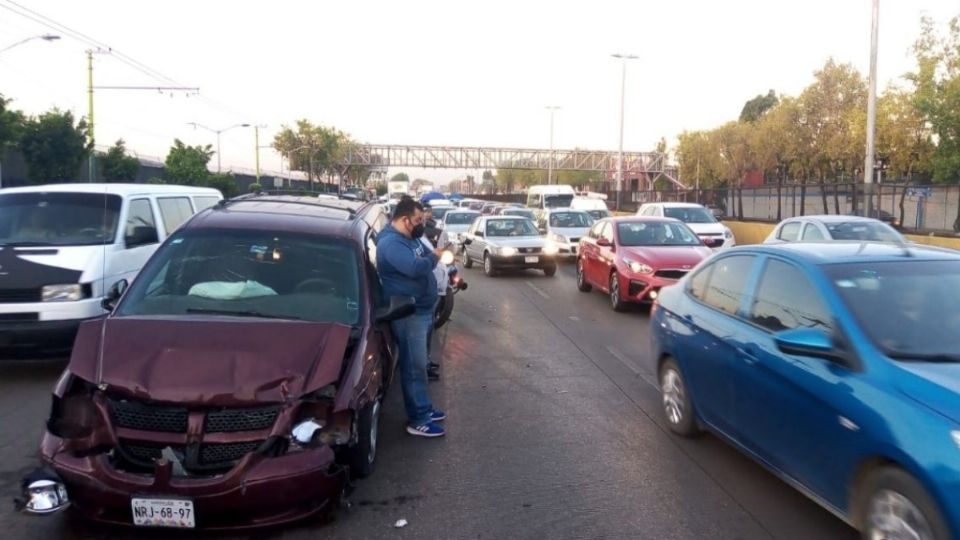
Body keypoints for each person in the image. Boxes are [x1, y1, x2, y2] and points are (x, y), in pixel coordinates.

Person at [376, 196, 449, 437]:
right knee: (414, 367)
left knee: (420, 364)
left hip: (423, 310)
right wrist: (435, 256)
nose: (421, 224)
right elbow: (415, 268)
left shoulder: (410, 238)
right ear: (406, 220)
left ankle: (425, 408)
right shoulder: (391, 244)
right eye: (418, 220)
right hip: (410, 315)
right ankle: (418, 419)